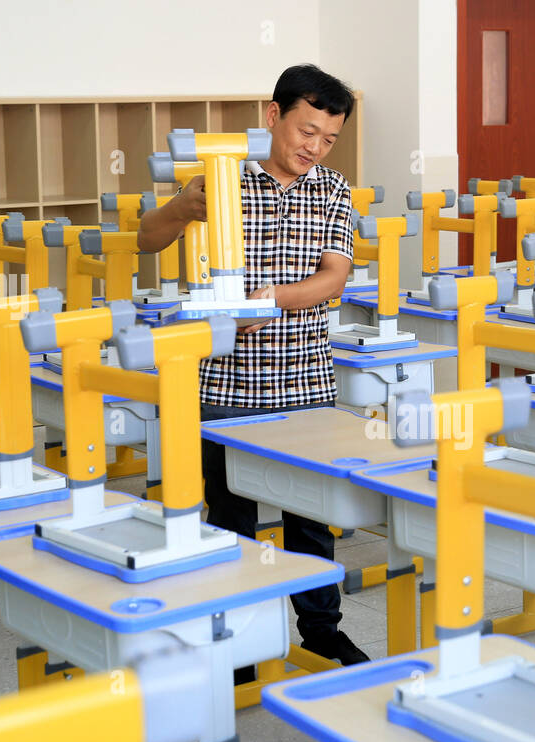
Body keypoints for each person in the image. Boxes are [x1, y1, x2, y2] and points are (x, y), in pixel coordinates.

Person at [138, 63, 368, 666]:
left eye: (327, 139)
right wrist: (184, 208)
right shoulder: (221, 176)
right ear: (274, 116)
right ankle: (238, 641)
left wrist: (270, 300)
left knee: (312, 518)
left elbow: (334, 276)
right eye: (306, 132)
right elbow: (146, 238)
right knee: (230, 517)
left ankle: (321, 631)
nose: (314, 149)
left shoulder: (332, 188)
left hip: (304, 378)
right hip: (224, 380)